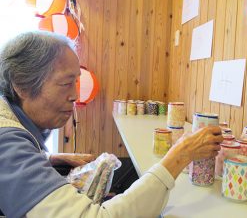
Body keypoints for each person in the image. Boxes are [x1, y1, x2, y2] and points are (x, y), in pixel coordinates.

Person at [0, 31, 223, 218]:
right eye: (66, 83)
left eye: (75, 82)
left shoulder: (10, 120)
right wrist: (180, 156)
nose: (75, 95)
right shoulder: (7, 145)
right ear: (22, 85)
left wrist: (48, 159)